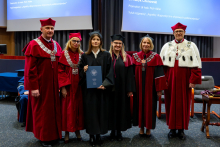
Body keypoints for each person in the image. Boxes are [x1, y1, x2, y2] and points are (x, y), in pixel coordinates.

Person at [22, 18, 62, 147]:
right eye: (47, 28)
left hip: (54, 86)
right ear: (41, 29)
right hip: (41, 86)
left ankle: (55, 135)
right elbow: (30, 69)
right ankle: (44, 137)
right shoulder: (34, 45)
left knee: (55, 110)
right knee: (43, 112)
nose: (50, 31)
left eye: (52, 28)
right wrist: (33, 88)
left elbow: (61, 66)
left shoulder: (56, 45)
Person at [160, 22, 202, 140]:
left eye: (181, 31)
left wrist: (193, 80)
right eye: (176, 31)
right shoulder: (167, 46)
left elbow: (196, 65)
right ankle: (172, 129)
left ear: (184, 33)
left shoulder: (191, 45)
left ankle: (181, 130)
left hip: (185, 80)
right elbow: (162, 67)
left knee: (184, 104)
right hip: (170, 79)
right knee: (170, 103)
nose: (179, 33)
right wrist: (164, 80)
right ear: (173, 33)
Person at [78, 30, 114, 146]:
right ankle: (91, 135)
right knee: (91, 112)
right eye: (93, 39)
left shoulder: (106, 55)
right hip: (89, 91)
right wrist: (83, 70)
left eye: (98, 39)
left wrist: (105, 84)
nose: (95, 41)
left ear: (101, 41)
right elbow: (80, 72)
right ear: (90, 41)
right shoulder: (85, 55)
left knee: (101, 111)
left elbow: (110, 72)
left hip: (102, 89)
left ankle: (99, 135)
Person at [132, 34, 167, 137]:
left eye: (148, 43)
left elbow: (160, 73)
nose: (146, 44)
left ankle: (148, 128)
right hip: (138, 88)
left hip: (150, 88)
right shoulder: (135, 56)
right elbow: (131, 74)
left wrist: (159, 89)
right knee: (139, 107)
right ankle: (141, 127)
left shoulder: (156, 57)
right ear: (141, 44)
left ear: (151, 45)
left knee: (150, 107)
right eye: (144, 42)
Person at [108, 34, 135, 141]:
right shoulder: (107, 56)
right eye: (116, 43)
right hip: (110, 88)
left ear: (122, 44)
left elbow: (130, 75)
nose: (118, 45)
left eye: (119, 43)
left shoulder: (126, 57)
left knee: (121, 109)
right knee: (111, 109)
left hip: (122, 88)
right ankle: (112, 130)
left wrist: (130, 89)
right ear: (112, 43)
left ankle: (118, 131)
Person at [58, 32, 84, 143]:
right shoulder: (63, 54)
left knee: (78, 109)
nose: (76, 43)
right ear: (70, 42)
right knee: (67, 110)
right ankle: (67, 132)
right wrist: (63, 87)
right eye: (74, 41)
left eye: (78, 41)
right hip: (68, 87)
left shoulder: (82, 55)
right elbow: (59, 71)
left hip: (79, 87)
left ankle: (77, 130)